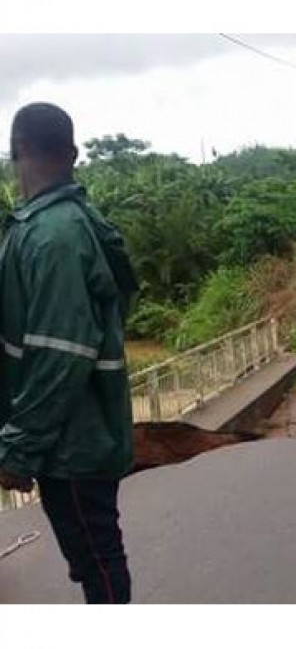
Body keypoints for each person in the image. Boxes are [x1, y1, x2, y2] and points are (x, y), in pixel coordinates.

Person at [0, 103, 138, 604]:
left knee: (97, 563)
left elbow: (60, 354)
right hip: (81, 433)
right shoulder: (67, 221)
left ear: (16, 149)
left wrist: (19, 447)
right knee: (97, 559)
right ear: (74, 153)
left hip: (72, 441)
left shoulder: (52, 235)